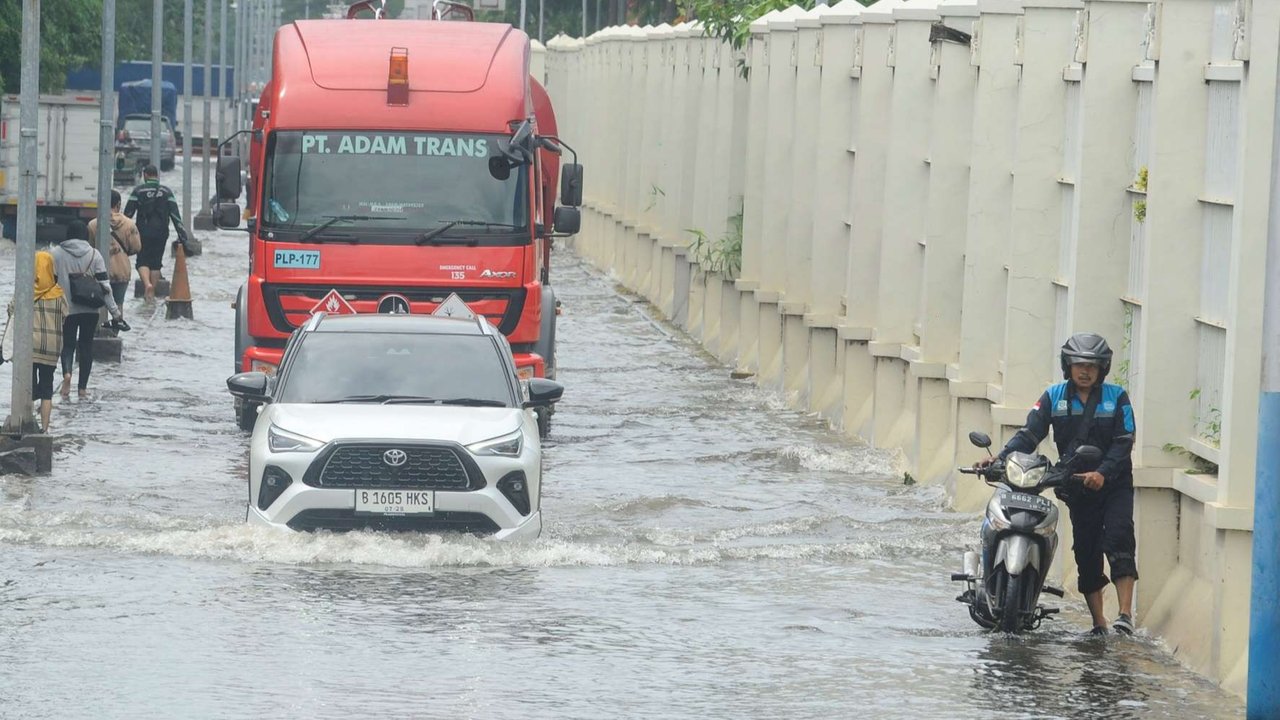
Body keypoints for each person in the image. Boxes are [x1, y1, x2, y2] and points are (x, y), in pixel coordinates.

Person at [978, 333, 1139, 636]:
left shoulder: (1117, 397)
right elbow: (1029, 435)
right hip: (1077, 485)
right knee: (1086, 551)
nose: (1085, 371)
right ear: (1068, 365)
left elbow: (1123, 442)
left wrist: (1103, 472)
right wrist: (999, 459)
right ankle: (1099, 624)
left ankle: (1125, 616)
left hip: (1114, 483)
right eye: (1079, 364)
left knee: (1119, 539)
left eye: (1092, 365)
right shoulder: (1053, 396)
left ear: (1102, 368)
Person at [51, 221, 124, 399]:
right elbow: (105, 287)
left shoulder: (56, 254)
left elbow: (50, 283)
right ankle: (82, 389)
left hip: (66, 308)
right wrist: (115, 313)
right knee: (86, 346)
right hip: (90, 309)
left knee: (67, 345)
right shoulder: (95, 254)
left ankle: (67, 374)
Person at [4, 252, 69, 432]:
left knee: (28, 387)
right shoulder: (59, 294)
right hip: (51, 348)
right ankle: (45, 429)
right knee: (47, 388)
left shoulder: (26, 292)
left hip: (29, 348)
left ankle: (26, 423)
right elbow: (65, 316)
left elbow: (11, 311)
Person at [124, 164, 188, 299]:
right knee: (156, 262)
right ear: (157, 176)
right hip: (161, 233)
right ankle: (151, 292)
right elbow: (175, 215)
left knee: (142, 260)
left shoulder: (138, 191)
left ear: (145, 175)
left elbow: (127, 214)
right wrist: (182, 233)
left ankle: (147, 285)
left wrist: (122, 232)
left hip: (142, 232)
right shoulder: (166, 192)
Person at [88, 189, 143, 311]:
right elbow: (136, 247)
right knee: (118, 306)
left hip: (98, 271)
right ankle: (114, 329)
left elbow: (90, 248)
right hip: (121, 271)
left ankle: (99, 328)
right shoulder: (129, 224)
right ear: (118, 204)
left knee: (99, 305)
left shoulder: (93, 224)